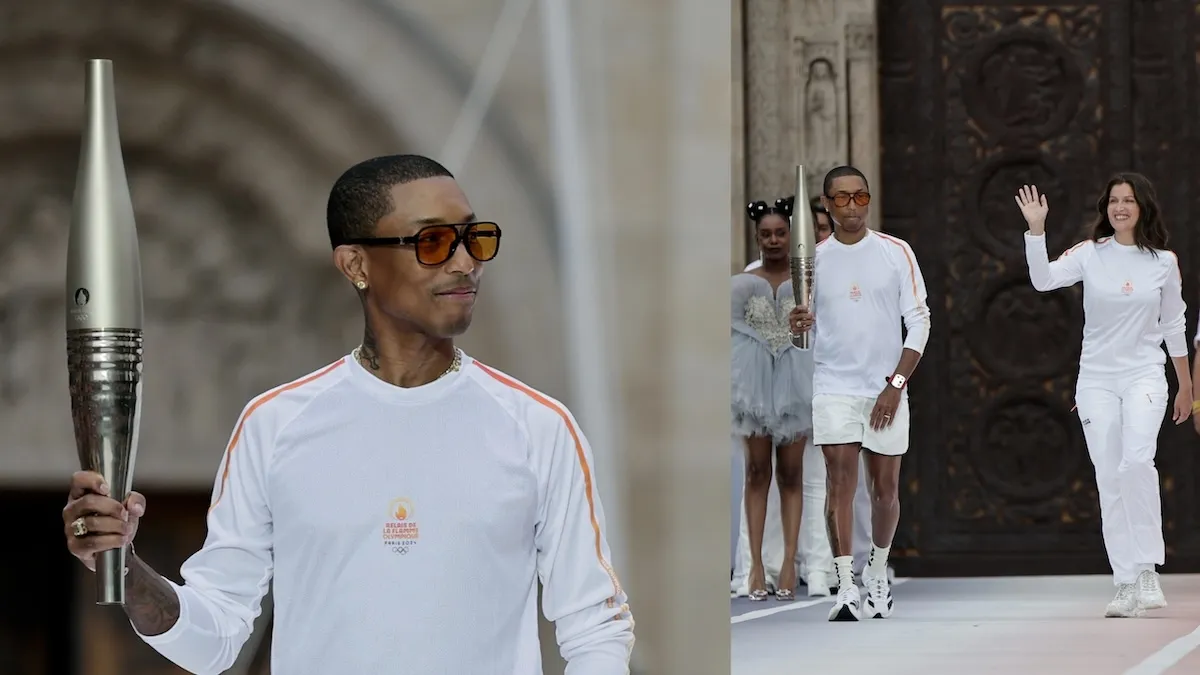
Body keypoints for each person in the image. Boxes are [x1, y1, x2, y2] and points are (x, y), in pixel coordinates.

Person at [61, 155, 634, 674]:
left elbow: (595, 628)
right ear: (356, 263)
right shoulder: (275, 425)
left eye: (474, 239)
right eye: (433, 242)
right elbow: (214, 640)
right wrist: (125, 566)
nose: (465, 263)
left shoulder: (539, 427)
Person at [1016, 176, 1191, 618]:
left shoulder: (1163, 263)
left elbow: (1174, 324)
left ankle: (1148, 567)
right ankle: (1125, 581)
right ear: (1104, 208)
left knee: (1136, 462)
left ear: (1143, 207)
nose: (1120, 207)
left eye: (1129, 200)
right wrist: (1037, 230)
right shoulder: (1090, 254)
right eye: (1113, 200)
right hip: (1096, 380)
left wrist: (1186, 385)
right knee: (1110, 477)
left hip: (1145, 377)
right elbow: (1043, 280)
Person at [788, 165, 931, 622]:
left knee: (885, 490)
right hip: (834, 385)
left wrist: (896, 384)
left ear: (869, 200)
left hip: (884, 387)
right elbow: (803, 333)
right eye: (842, 198)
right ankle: (846, 586)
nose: (853, 206)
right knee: (839, 481)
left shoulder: (896, 252)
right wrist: (797, 329)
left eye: (861, 196)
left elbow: (921, 321)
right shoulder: (815, 258)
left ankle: (877, 570)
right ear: (827, 205)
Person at [731, 197, 814, 601]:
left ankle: (789, 563)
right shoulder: (745, 283)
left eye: (781, 232)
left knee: (791, 474)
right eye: (766, 234)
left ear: (791, 235)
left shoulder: (807, 280)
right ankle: (756, 567)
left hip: (795, 384)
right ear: (756, 237)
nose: (774, 240)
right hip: (754, 386)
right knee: (756, 472)